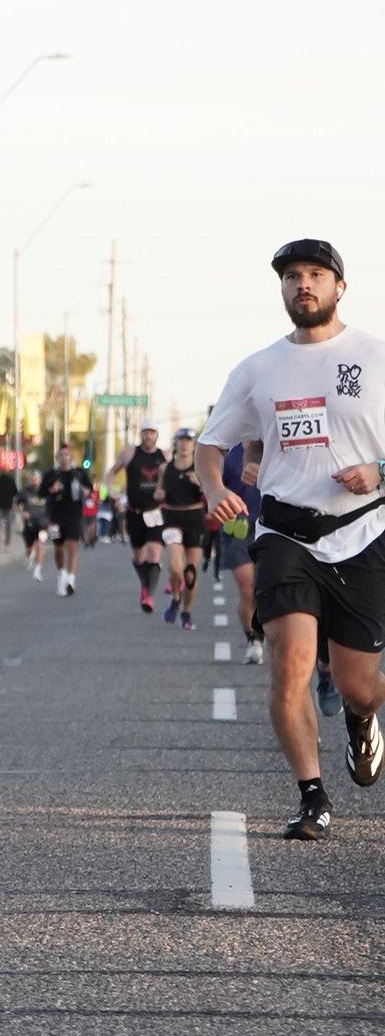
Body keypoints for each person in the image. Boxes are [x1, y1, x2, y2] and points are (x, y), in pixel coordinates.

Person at [198, 236, 385, 840]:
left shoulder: (375, 358)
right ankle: (312, 796)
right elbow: (210, 445)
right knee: (290, 666)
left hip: (361, 533)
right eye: (291, 276)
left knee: (360, 686)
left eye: (315, 274)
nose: (303, 284)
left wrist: (380, 471)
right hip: (285, 533)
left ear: (339, 287)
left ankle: (361, 718)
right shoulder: (258, 369)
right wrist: (212, 489)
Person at [113, 424, 167, 614]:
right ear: (141, 434)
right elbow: (111, 474)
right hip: (134, 512)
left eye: (152, 432)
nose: (148, 436)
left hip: (156, 512)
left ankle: (147, 594)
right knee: (138, 556)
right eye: (145, 432)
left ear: (157, 435)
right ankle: (146, 585)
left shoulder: (164, 456)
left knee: (154, 552)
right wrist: (114, 495)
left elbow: (173, 477)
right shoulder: (130, 454)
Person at [218, 439, 262, 663]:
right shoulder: (230, 452)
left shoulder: (275, 443)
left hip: (273, 526)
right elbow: (215, 484)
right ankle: (254, 640)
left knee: (267, 589)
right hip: (239, 527)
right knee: (248, 588)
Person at [158, 430, 206, 630]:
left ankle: (186, 612)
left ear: (194, 445)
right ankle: (176, 598)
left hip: (194, 519)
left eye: (188, 441)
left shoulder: (201, 468)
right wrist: (159, 493)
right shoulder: (165, 468)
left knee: (190, 573)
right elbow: (159, 490)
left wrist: (200, 483)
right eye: (181, 441)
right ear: (175, 444)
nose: (185, 445)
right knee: (176, 568)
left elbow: (212, 493)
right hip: (172, 518)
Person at [40, 440, 89, 596]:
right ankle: (61, 574)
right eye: (61, 455)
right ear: (57, 457)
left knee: (73, 546)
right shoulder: (51, 475)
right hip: (55, 516)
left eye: (66, 454)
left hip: (74, 515)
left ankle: (71, 580)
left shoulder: (79, 473)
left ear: (71, 457)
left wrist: (86, 491)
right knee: (59, 548)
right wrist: (51, 489)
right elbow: (41, 493)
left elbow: (89, 487)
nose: (64, 457)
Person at [0, 455, 20, 548]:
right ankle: (7, 544)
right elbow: (15, 493)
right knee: (8, 525)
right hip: (8, 506)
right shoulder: (11, 480)